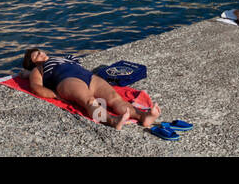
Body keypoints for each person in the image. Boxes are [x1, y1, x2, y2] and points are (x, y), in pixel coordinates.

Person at [20, 48, 158, 129]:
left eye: (39, 51)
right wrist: (55, 94)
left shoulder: (63, 58)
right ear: (33, 63)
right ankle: (112, 120)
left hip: (89, 77)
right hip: (68, 81)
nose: (40, 53)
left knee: (115, 99)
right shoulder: (38, 69)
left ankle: (143, 116)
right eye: (35, 55)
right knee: (90, 101)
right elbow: (35, 87)